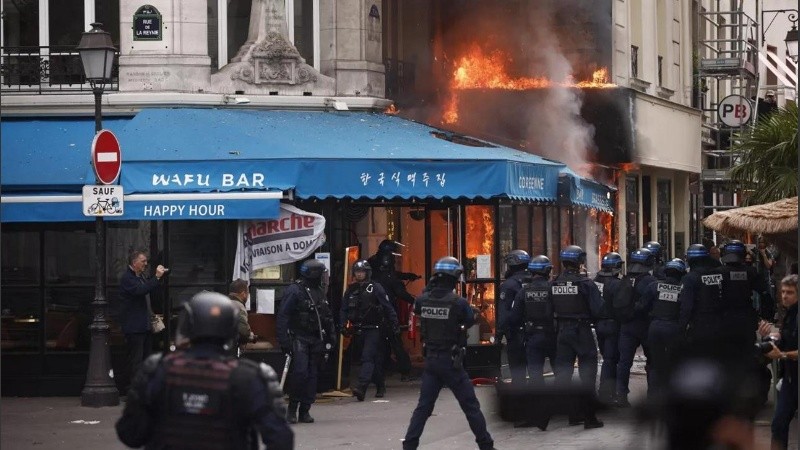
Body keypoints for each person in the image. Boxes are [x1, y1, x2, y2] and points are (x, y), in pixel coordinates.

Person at [115, 291, 293, 450]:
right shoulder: (249, 377)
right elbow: (280, 438)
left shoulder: (158, 370)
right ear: (231, 328)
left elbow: (130, 434)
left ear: (188, 325)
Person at [402, 257, 495, 450]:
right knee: (470, 406)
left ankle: (410, 445)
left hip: (431, 361)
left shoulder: (422, 300)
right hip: (451, 361)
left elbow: (420, 310)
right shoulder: (458, 302)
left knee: (423, 407)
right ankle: (485, 445)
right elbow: (469, 320)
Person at [551, 245, 604, 428]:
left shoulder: (555, 283)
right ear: (580, 261)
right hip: (581, 331)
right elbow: (598, 310)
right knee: (587, 375)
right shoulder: (585, 284)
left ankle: (568, 415)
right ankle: (589, 418)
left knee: (563, 376)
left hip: (563, 333)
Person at [277, 259, 336, 424]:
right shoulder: (295, 291)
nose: (324, 277)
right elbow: (283, 316)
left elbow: (326, 316)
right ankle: (292, 409)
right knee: (300, 373)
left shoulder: (319, 291)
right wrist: (284, 341)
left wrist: (332, 337)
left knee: (312, 375)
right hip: (299, 338)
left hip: (316, 339)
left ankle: (305, 410)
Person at [341, 259, 399, 400]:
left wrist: (394, 323)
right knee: (370, 360)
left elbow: (387, 306)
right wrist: (342, 324)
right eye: (357, 272)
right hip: (358, 329)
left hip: (374, 328)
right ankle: (380, 385)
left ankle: (361, 387)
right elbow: (344, 309)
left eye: (362, 272)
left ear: (367, 273)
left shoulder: (375, 287)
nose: (359, 274)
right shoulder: (351, 289)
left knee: (367, 357)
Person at [369, 239, 419, 382]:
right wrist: (416, 302)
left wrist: (407, 275)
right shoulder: (387, 275)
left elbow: (392, 276)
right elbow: (399, 291)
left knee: (378, 343)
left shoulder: (373, 269)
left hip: (373, 313)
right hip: (387, 312)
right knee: (396, 341)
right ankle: (405, 370)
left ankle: (381, 369)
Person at [615, 248, 658, 407]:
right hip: (645, 326)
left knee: (624, 362)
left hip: (626, 326)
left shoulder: (624, 279)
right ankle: (652, 397)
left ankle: (621, 395)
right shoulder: (649, 281)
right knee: (652, 361)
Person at [119, 250, 168, 389]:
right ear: (134, 263)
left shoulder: (140, 277)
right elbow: (140, 290)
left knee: (147, 359)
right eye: (143, 261)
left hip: (145, 326)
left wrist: (160, 278)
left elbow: (149, 290)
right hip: (134, 327)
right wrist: (156, 278)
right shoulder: (128, 279)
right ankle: (134, 390)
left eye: (146, 261)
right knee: (136, 360)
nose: (146, 264)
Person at [760, 275, 798, 450]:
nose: (784, 296)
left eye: (789, 292)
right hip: (790, 379)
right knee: (779, 424)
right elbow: (787, 338)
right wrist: (770, 337)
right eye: (782, 292)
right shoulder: (789, 313)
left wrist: (782, 355)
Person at [510, 255, 556, 388]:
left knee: (535, 373)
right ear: (547, 271)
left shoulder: (523, 291)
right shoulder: (552, 289)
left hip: (532, 335)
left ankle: (538, 402)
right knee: (561, 372)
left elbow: (514, 317)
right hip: (553, 333)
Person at [645, 258, 686, 396]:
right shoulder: (683, 288)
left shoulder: (654, 286)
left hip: (655, 327)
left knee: (655, 362)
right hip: (673, 327)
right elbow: (687, 309)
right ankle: (671, 396)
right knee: (674, 362)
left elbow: (642, 305)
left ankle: (653, 396)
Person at [592, 252, 625, 404]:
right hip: (613, 324)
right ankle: (606, 393)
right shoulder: (617, 284)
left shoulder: (594, 281)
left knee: (607, 357)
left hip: (599, 324)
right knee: (611, 360)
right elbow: (620, 306)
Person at [498, 249, 531, 386]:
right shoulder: (534, 281)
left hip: (516, 332)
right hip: (534, 331)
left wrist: (499, 334)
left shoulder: (509, 285)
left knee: (518, 371)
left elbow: (504, 312)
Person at [718, 240, 759, 350]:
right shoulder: (751, 271)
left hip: (725, 316)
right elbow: (763, 292)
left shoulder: (718, 272)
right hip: (746, 315)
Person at [679, 244, 724, 344]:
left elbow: (686, 307)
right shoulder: (718, 274)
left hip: (699, 325)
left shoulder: (689, 278)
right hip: (719, 323)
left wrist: (681, 328)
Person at [229, 278, 256, 355]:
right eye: (248, 293)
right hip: (231, 348)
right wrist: (251, 336)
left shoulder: (223, 302)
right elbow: (244, 332)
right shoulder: (239, 306)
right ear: (243, 293)